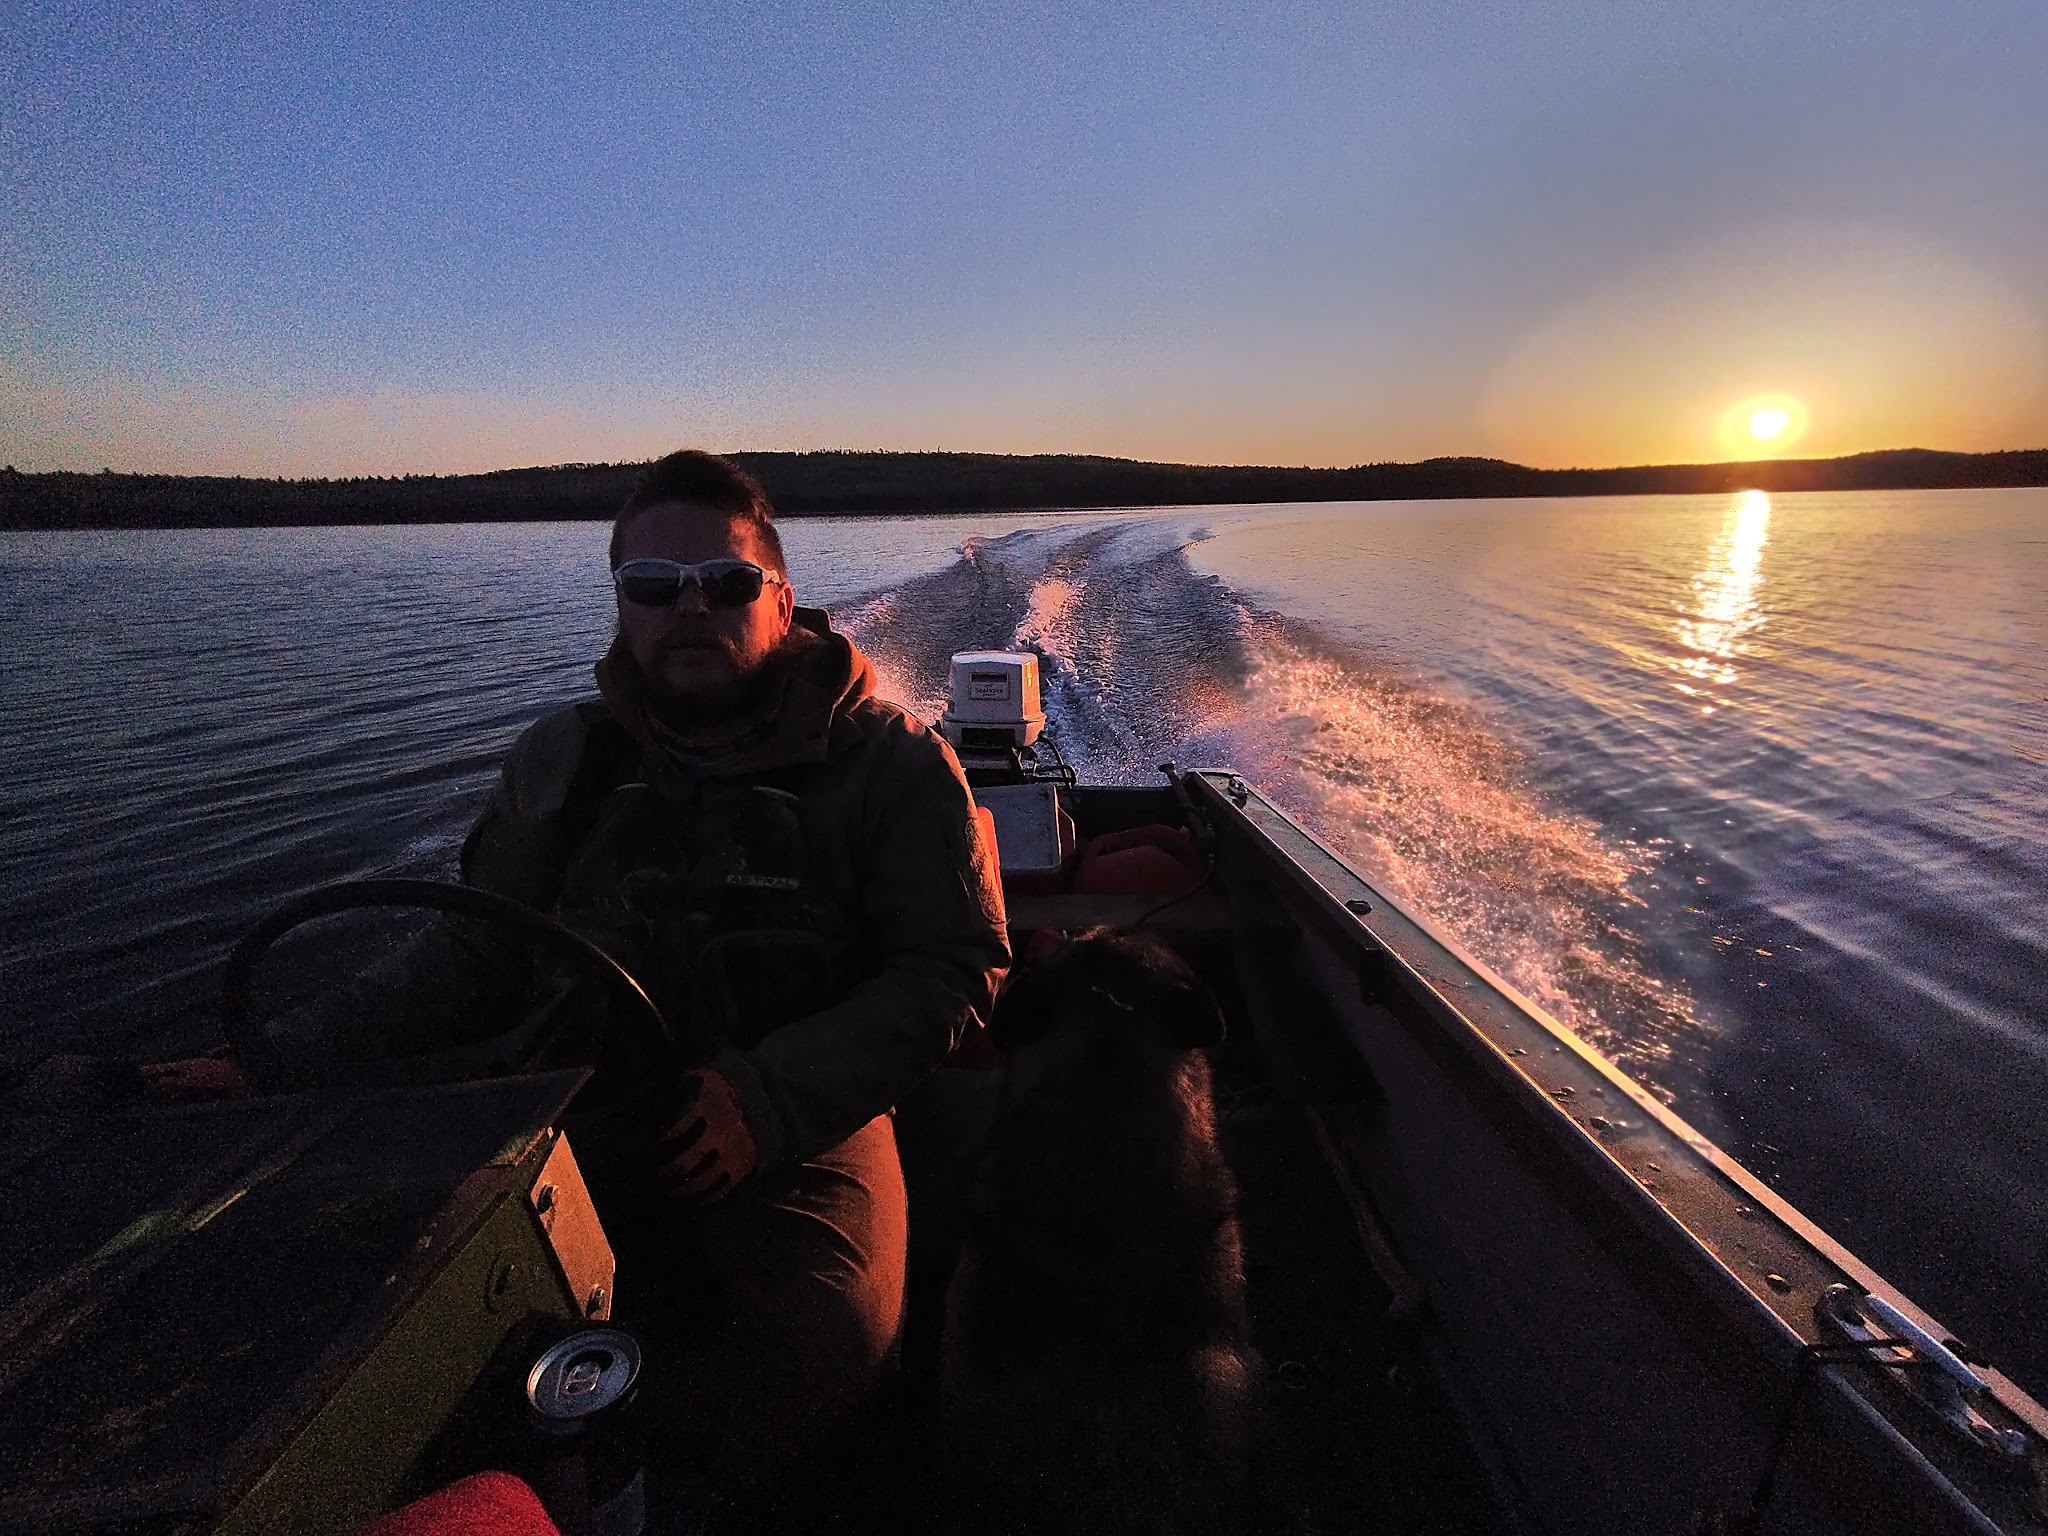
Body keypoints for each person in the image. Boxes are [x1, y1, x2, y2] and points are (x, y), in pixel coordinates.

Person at [148, 449, 1011, 1502]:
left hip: (796, 1115)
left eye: (727, 584)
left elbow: (953, 973)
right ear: (621, 605)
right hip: (560, 1094)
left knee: (826, 1330)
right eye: (652, 586)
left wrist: (767, 1098)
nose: (688, 607)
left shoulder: (895, 765)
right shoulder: (560, 757)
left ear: (780, 601)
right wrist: (280, 1055)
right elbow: (468, 950)